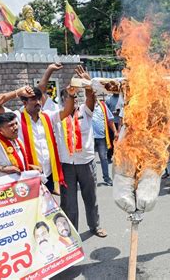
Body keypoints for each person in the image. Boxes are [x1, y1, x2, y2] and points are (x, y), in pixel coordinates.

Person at [0, 85, 76, 194]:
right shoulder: (17, 117)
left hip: (48, 172)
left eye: (39, 98)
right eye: (33, 99)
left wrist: (71, 95)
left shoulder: (47, 116)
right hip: (28, 173)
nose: (38, 102)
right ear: (24, 102)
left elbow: (67, 111)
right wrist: (18, 92)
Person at [56, 65, 107, 238]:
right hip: (67, 165)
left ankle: (95, 226)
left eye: (76, 97)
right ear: (64, 100)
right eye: (70, 97)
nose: (74, 101)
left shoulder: (86, 112)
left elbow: (90, 98)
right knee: (69, 202)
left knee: (90, 198)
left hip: (86, 162)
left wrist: (88, 82)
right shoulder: (57, 116)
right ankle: (71, 232)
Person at [0, 88, 42, 178]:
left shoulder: (17, 140)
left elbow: (17, 163)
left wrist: (29, 166)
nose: (15, 127)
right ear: (0, 129)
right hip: (5, 187)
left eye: (16, 123)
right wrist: (18, 92)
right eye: (11, 125)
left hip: (21, 185)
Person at [93, 99, 118, 186]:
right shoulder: (84, 107)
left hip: (101, 137)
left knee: (103, 158)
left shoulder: (102, 105)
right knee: (90, 160)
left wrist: (115, 131)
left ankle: (106, 178)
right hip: (89, 139)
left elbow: (110, 119)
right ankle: (92, 180)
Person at [106, 92, 121, 163]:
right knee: (112, 140)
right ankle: (109, 155)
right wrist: (113, 113)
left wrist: (120, 112)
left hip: (120, 123)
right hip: (112, 123)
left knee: (120, 140)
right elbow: (106, 111)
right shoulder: (108, 99)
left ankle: (119, 157)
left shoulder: (122, 99)